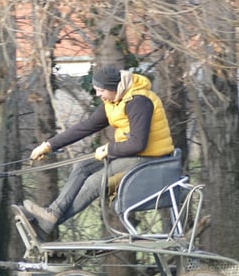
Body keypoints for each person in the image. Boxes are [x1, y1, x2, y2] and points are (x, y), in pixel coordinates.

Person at [21, 65, 175, 235]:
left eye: (100, 90)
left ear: (114, 88)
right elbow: (86, 126)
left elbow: (138, 144)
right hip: (134, 154)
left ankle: (44, 225)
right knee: (82, 166)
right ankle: (51, 216)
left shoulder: (139, 101)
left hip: (151, 159)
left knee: (96, 181)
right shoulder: (113, 101)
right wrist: (48, 145)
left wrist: (110, 148)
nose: (98, 95)